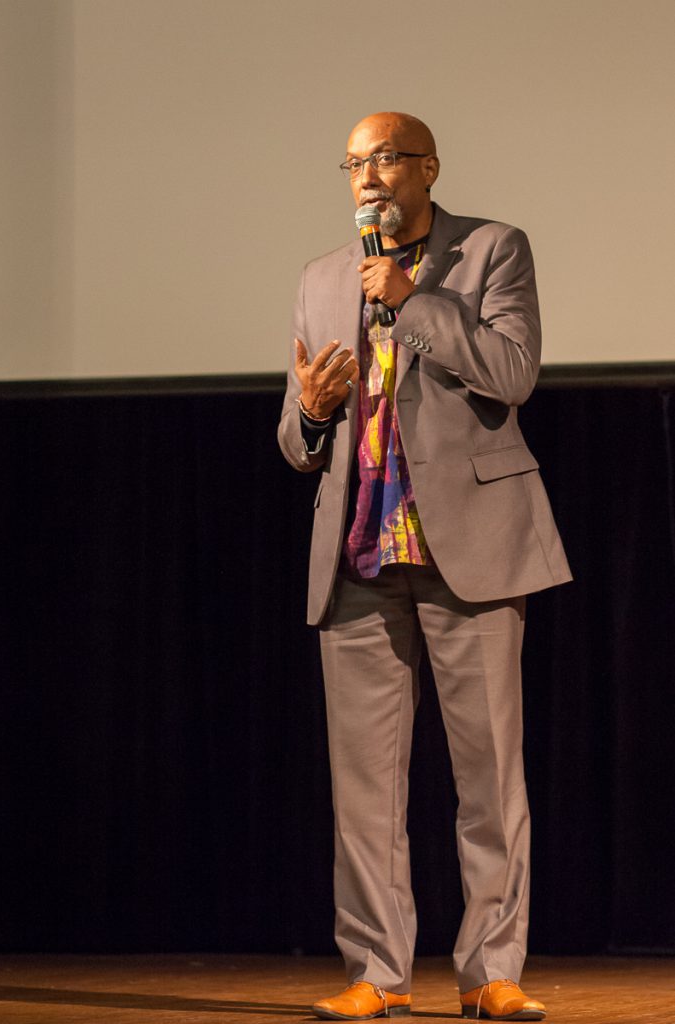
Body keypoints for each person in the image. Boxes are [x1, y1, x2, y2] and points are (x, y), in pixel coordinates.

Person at [278, 112, 571, 1022]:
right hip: (360, 551)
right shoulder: (321, 277)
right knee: (364, 790)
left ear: (428, 168)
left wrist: (412, 298)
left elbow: (513, 373)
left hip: (469, 547)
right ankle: (376, 973)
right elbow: (294, 441)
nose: (368, 175)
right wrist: (314, 412)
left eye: (386, 157)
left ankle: (492, 973)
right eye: (354, 162)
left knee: (487, 778)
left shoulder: (489, 251)